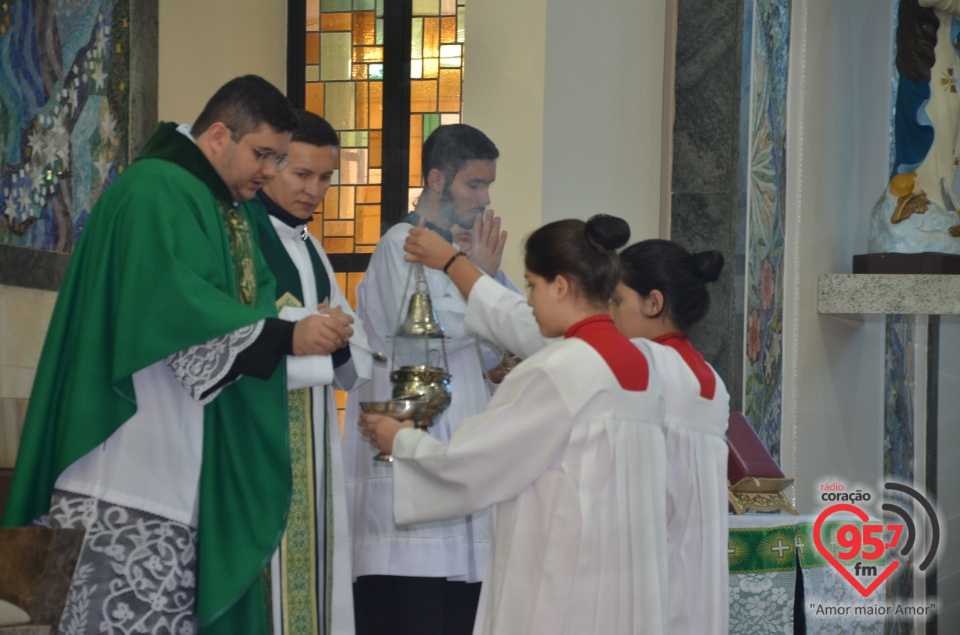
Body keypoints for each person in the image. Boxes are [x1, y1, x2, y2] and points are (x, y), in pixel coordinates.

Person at [1, 75, 353, 635]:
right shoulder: (157, 190)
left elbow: (240, 308)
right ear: (218, 135)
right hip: (125, 464)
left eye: (278, 158)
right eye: (264, 155)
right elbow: (172, 308)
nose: (269, 172)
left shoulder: (222, 206)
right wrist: (289, 335)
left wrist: (297, 330)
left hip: (179, 456)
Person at [403, 230, 730, 635]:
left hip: (640, 579)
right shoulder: (712, 383)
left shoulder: (644, 363)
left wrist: (455, 266)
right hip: (692, 588)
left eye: (617, 300)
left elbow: (529, 328)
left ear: (654, 302)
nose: (608, 315)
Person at [360, 215, 669, 634]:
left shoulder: (555, 371)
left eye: (531, 285)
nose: (528, 300)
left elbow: (474, 466)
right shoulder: (644, 365)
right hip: (622, 581)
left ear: (560, 287)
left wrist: (403, 441)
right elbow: (514, 320)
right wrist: (456, 265)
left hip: (561, 581)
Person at [342, 123, 514, 635]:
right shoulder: (401, 244)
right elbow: (419, 331)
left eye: (488, 187)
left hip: (458, 450)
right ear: (437, 180)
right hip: (408, 448)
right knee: (410, 612)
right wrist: (476, 286)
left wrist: (478, 277)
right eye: (474, 185)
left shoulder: (469, 258)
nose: (485, 200)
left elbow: (502, 343)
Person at [248, 109, 372, 635]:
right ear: (271, 164)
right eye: (302, 174)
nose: (315, 190)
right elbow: (233, 327)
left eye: (326, 178)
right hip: (256, 435)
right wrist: (309, 329)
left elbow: (356, 345)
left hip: (314, 443)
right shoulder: (242, 233)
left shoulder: (313, 247)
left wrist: (336, 338)